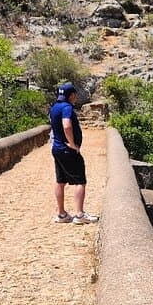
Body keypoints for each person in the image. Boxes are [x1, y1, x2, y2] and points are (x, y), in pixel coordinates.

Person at [50, 83, 99, 225]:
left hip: (57, 148)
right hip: (68, 150)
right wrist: (72, 144)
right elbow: (67, 125)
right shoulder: (67, 108)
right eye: (75, 95)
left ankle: (62, 214)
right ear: (71, 95)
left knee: (60, 181)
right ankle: (79, 215)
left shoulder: (54, 107)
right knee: (80, 181)